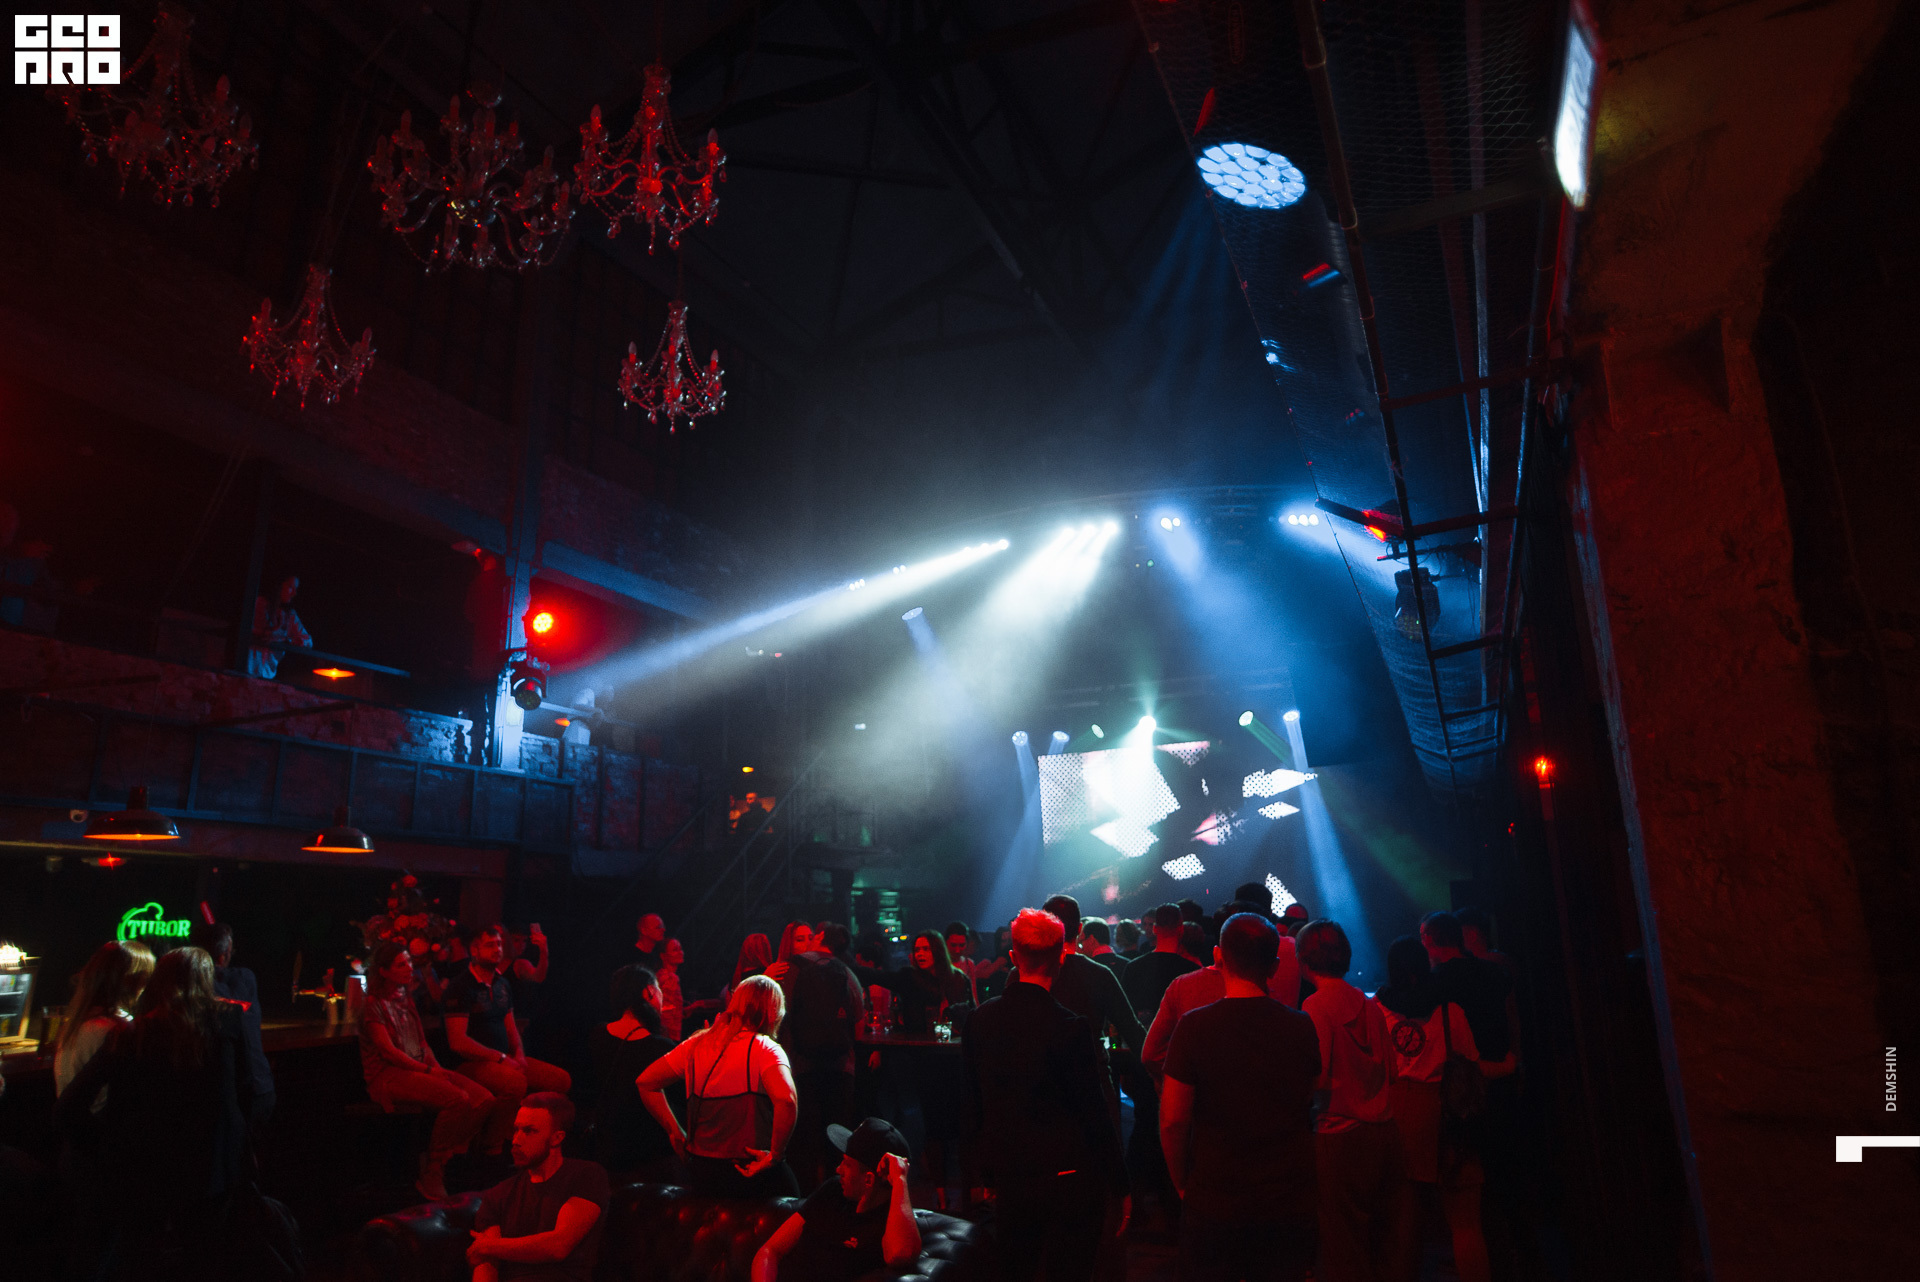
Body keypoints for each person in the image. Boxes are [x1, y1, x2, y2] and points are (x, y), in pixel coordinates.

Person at [57, 947, 257, 1279]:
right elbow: (246, 1092)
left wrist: (104, 1145)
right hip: (212, 1166)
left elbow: (68, 1108)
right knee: (206, 1259)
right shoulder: (226, 1023)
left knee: (140, 1260)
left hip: (149, 1169)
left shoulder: (133, 1034)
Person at [963, 908, 1127, 1282]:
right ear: (1060, 960)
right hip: (1066, 1175)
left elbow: (972, 1105)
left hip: (1010, 1174)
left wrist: (979, 1173)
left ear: (1013, 957)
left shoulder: (980, 1020)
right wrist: (1119, 1182)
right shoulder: (1070, 1026)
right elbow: (1093, 1111)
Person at [1160, 914, 1322, 1282]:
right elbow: (1309, 1096)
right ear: (1275, 966)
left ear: (1218, 957)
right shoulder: (1301, 1025)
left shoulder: (1194, 1026)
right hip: (1286, 1196)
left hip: (1215, 1193)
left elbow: (1172, 1119)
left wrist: (1182, 1183)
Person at [1375, 937, 1513, 1282]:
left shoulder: (1378, 1010)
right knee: (1466, 1224)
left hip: (1400, 1115)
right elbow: (1472, 1064)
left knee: (1404, 1227)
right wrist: (1509, 1065)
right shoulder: (1451, 1010)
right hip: (1450, 1113)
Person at [1299, 920, 1403, 1282]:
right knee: (1383, 1239)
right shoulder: (1368, 1003)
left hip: (1340, 1134)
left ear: (1304, 959)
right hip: (1384, 1132)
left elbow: (1318, 1076)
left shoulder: (1315, 1005)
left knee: (1343, 1244)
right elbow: (1392, 1071)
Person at [637, 974, 800, 1197]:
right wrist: (776, 1154)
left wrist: (675, 1132)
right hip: (747, 1170)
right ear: (774, 1012)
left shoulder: (697, 1044)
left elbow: (646, 1082)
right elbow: (787, 1100)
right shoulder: (765, 1048)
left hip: (701, 1170)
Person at [361, 941, 499, 1200]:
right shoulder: (373, 1004)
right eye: (401, 964)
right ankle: (433, 1171)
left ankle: (440, 1155)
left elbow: (421, 1043)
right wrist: (427, 1071)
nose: (408, 968)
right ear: (384, 971)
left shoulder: (405, 998)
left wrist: (435, 1068)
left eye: (408, 962)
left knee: (484, 1099)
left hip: (416, 1068)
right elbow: (389, 1052)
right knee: (457, 1099)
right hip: (388, 1075)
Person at [446, 923, 573, 1152]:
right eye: (490, 945)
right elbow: (458, 1042)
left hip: (504, 1059)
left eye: (499, 944)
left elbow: (511, 1026)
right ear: (474, 950)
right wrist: (501, 1058)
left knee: (560, 1080)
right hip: (473, 1062)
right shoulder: (461, 986)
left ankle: (537, 1140)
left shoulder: (502, 983)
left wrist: (519, 1055)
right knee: (514, 1083)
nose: (497, 949)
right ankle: (493, 1146)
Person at [752, 1118, 921, 1282]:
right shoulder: (834, 1190)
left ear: (868, 1180)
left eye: (847, 1164)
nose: (838, 1169)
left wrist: (899, 1179)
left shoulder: (886, 1222)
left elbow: (901, 1253)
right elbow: (770, 1251)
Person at [467, 1093, 610, 1282]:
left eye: (529, 1131)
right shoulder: (498, 1195)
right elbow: (486, 1263)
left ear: (556, 1138)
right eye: (515, 1130)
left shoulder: (586, 1175)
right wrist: (488, 1249)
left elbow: (559, 1245)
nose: (516, 1140)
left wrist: (490, 1246)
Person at [1142, 922, 1302, 1077]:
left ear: (1217, 955)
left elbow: (1151, 1054)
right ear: (1274, 967)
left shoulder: (1186, 1000)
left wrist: (1176, 1079)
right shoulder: (1295, 1023)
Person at [780, 933, 868, 1190]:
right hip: (840, 1067)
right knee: (837, 1143)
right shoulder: (845, 972)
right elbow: (859, 1027)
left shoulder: (785, 971)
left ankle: (804, 1202)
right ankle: (839, 1197)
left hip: (799, 1067)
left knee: (803, 1145)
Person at [1042, 894, 1146, 1085]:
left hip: (1043, 1078)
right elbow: (1130, 1028)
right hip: (1091, 1077)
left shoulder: (1028, 972)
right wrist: (1157, 1072)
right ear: (1079, 929)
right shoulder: (1099, 973)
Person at [589, 964, 680, 1181]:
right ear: (649, 992)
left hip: (606, 1146)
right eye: (659, 990)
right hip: (648, 1152)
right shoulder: (662, 1048)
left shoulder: (597, 1035)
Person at [191, 921, 276, 1127]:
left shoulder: (194, 983)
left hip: (227, 1094)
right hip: (259, 1086)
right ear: (225, 953)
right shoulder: (245, 978)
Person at [52, 939, 154, 1099]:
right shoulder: (116, 1028)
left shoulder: (79, 1021)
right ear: (132, 980)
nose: (146, 983)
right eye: (145, 976)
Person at [1125, 904, 1202, 1025]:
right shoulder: (1193, 971)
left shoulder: (1133, 967)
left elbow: (1125, 1014)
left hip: (1144, 1035)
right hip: (1180, 1035)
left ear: (1155, 929)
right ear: (1181, 929)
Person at [247, 574, 312, 679]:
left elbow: (308, 641)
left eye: (295, 589)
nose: (294, 593)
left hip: (268, 675)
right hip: (246, 670)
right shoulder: (259, 603)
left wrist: (287, 641)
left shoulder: (290, 615)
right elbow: (262, 632)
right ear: (278, 585)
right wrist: (279, 638)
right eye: (290, 587)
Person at [1454, 907, 1512, 972]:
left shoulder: (1489, 964)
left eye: (1457, 934)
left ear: (1472, 935)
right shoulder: (1501, 960)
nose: (1454, 939)